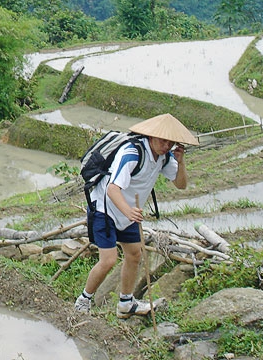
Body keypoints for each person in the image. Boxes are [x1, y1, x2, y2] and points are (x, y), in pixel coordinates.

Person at [74, 113, 198, 318]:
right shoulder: (132, 152)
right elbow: (113, 189)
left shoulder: (165, 157)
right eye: (163, 140)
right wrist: (128, 211)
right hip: (106, 206)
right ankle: (83, 301)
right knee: (108, 260)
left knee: (134, 254)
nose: (166, 145)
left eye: (171, 142)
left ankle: (125, 303)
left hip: (129, 210)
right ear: (151, 136)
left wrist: (180, 161)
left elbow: (181, 184)